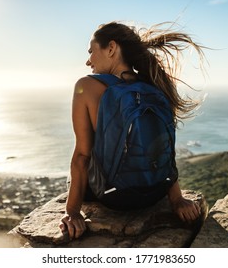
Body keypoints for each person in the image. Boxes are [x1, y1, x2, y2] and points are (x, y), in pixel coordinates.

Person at [60, 21, 205, 240]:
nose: (88, 60)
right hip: (155, 192)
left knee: (72, 179)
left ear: (111, 48)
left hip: (116, 198)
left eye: (91, 52)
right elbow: (162, 147)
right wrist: (177, 200)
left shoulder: (87, 86)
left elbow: (82, 155)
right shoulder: (154, 85)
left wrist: (72, 212)